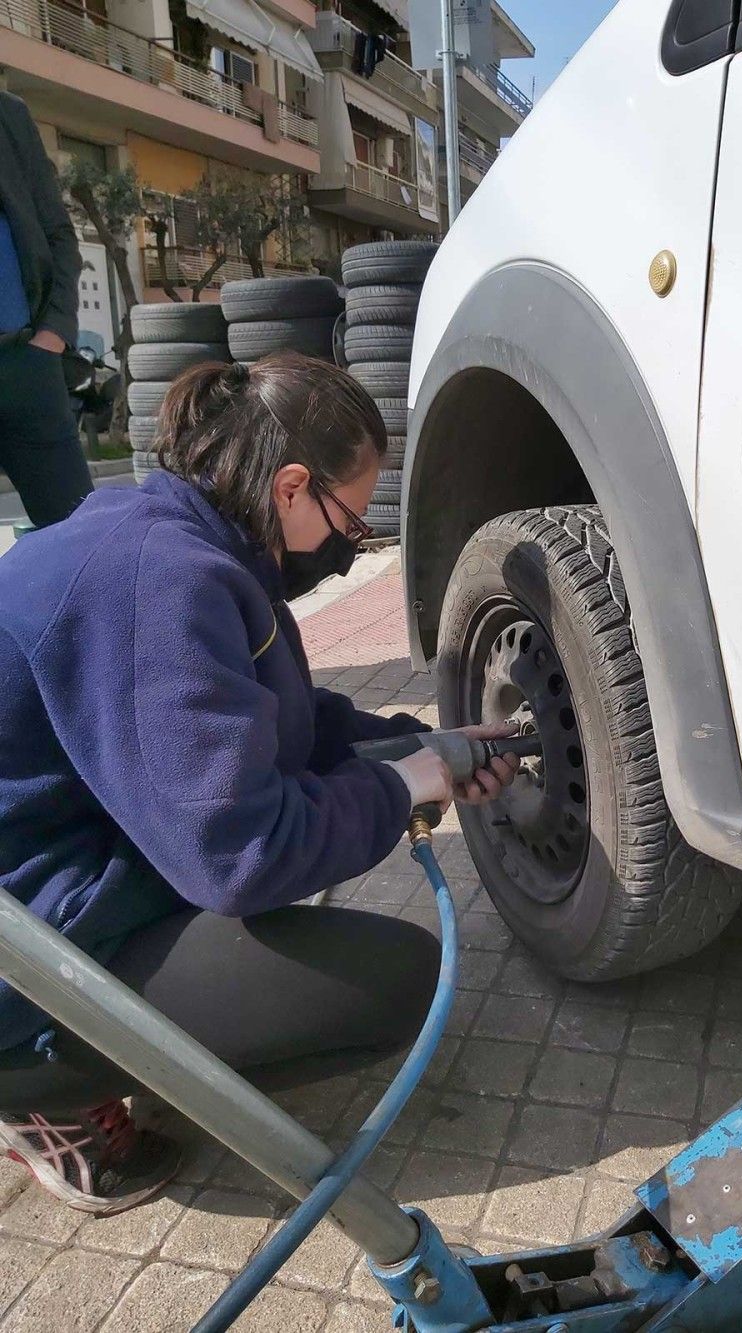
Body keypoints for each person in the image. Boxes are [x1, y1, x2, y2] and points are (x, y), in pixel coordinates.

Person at [0, 353, 518, 1214]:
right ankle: (35, 1087)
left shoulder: (185, 531)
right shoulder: (160, 585)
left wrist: (420, 744)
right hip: (22, 954)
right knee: (394, 983)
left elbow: (266, 718)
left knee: (301, 874)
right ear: (289, 486)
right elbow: (243, 853)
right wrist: (402, 792)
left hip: (63, 855)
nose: (350, 553)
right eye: (349, 521)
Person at [0, 91, 94, 527]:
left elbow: (59, 234)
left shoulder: (9, 116)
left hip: (28, 366)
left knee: (82, 540)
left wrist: (53, 333)